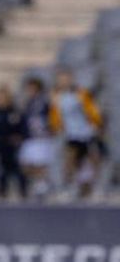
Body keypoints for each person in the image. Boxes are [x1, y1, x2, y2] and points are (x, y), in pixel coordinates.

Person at [48, 67, 105, 199]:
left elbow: (92, 110)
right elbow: (55, 115)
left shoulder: (80, 93)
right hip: (71, 133)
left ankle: (96, 187)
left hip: (86, 132)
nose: (64, 82)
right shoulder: (56, 97)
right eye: (61, 80)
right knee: (70, 160)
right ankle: (69, 187)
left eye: (66, 79)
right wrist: (56, 127)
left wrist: (96, 124)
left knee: (93, 159)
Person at [0, 84, 29, 200]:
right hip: (1, 147)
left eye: (4, 98)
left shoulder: (15, 112)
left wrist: (18, 138)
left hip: (15, 147)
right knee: (2, 170)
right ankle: (2, 193)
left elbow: (23, 129)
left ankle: (23, 192)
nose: (1, 100)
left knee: (18, 170)